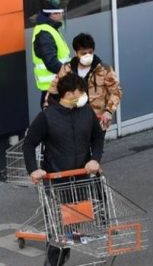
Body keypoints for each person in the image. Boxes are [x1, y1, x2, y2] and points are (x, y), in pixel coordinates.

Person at [22, 73, 104, 266]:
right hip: (57, 181)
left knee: (73, 228)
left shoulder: (86, 112)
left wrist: (95, 159)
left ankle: (62, 257)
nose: (84, 95)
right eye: (81, 92)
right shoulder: (47, 117)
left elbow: (97, 137)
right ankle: (54, 262)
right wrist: (33, 170)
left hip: (80, 179)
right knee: (58, 230)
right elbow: (29, 144)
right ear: (68, 94)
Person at [47, 33, 123, 133]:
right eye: (83, 53)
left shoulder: (104, 69)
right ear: (76, 53)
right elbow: (53, 91)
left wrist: (108, 111)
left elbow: (116, 92)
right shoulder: (66, 69)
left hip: (97, 121)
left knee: (96, 143)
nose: (87, 56)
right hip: (72, 120)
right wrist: (48, 110)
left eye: (90, 52)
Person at [31, 0, 71, 108]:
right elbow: (51, 63)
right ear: (52, 15)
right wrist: (70, 74)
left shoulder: (50, 28)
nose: (62, 14)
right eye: (60, 12)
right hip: (53, 90)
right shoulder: (44, 33)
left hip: (59, 86)